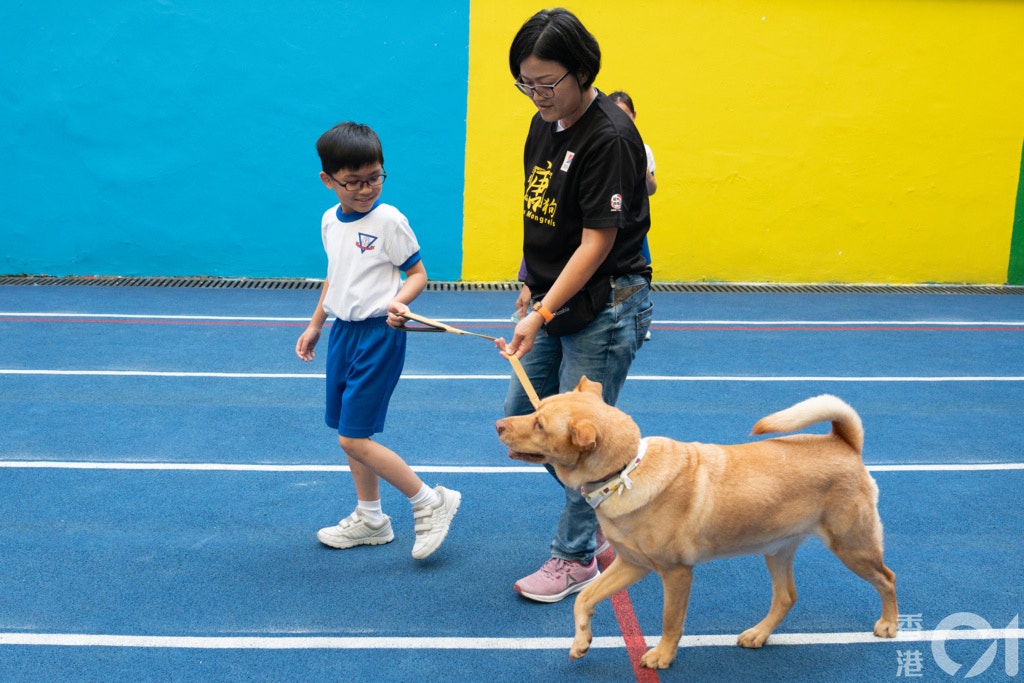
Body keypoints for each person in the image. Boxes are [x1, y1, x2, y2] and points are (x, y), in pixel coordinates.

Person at [499, 8, 654, 603]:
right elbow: (539, 209)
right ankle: (608, 516)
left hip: (607, 305)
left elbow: (597, 241)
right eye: (525, 84)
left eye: (545, 83)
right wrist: (528, 281)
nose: (535, 95)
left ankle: (575, 557)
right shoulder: (546, 121)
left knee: (583, 443)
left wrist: (538, 316)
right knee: (524, 426)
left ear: (582, 71)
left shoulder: (610, 136)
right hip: (554, 299)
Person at [295, 121, 460, 561]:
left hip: (379, 333)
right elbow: (336, 276)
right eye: (353, 183)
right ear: (328, 181)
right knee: (350, 429)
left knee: (353, 438)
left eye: (375, 178)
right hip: (342, 333)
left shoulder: (389, 220)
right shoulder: (330, 221)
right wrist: (315, 323)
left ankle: (429, 501)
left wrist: (399, 301)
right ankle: (371, 518)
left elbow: (418, 274)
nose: (366, 190)